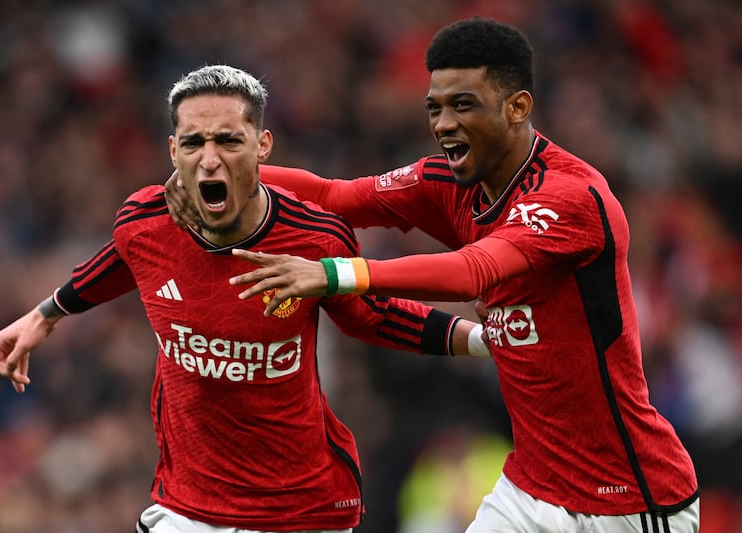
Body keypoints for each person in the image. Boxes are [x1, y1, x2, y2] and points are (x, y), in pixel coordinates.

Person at [167, 18, 700, 532]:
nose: (443, 123)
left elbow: (473, 272)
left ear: (517, 107)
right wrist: (216, 170)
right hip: (530, 489)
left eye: (463, 105)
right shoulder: (447, 183)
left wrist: (334, 273)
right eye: (435, 108)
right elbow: (334, 196)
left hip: (627, 499)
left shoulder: (570, 197)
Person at [0, 64, 488, 533]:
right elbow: (125, 255)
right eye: (193, 142)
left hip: (302, 507)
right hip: (188, 506)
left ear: (262, 145)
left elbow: (371, 316)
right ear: (173, 151)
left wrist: (483, 340)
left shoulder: (315, 238)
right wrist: (47, 313)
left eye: (228, 140)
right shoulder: (145, 221)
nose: (209, 158)